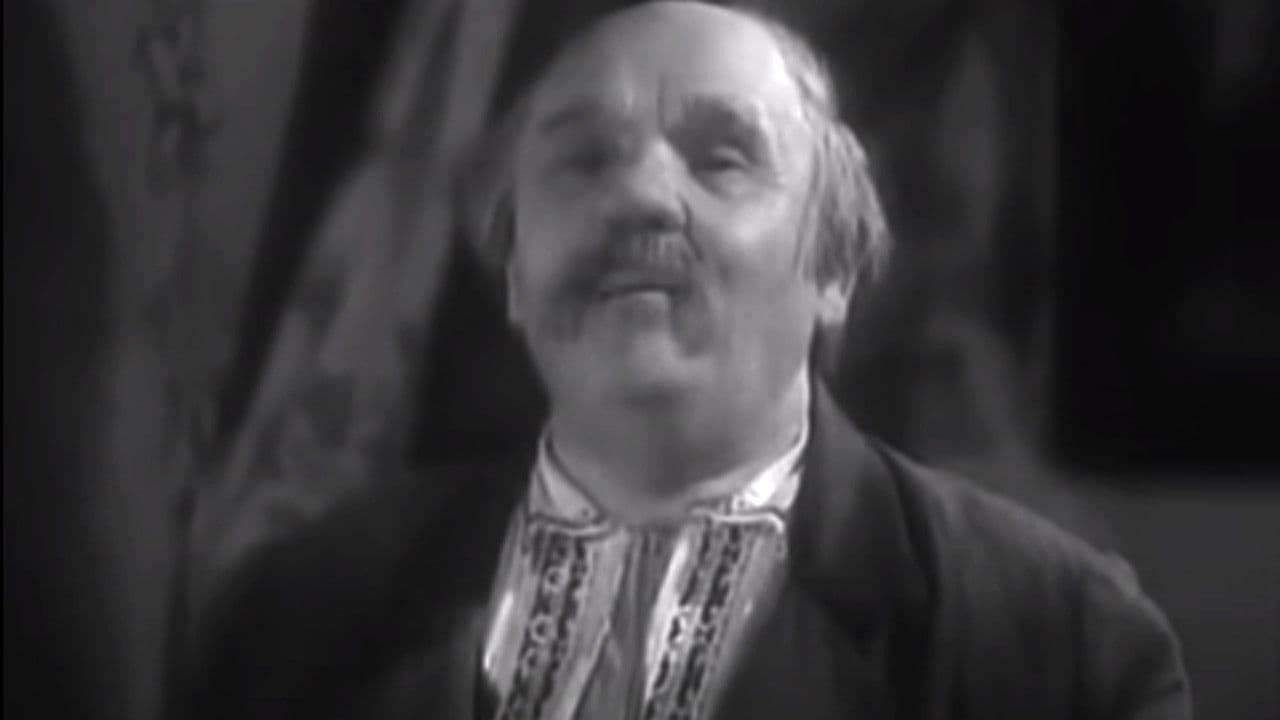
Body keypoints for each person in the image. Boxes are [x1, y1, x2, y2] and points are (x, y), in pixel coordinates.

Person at [177, 3, 1190, 718]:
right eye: (584, 159)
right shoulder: (290, 622)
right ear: (514, 273)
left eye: (721, 158)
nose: (640, 197)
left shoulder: (1061, 650)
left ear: (835, 266)